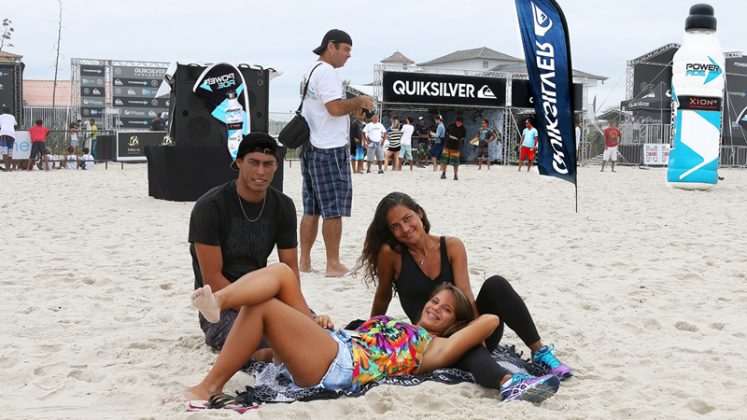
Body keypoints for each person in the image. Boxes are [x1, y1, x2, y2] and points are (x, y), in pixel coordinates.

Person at [185, 263, 560, 404]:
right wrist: (293, 340)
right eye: (436, 301)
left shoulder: (437, 348)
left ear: (453, 324)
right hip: (332, 344)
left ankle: (208, 387)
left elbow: (491, 321)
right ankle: (218, 301)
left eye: (446, 310)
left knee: (263, 307)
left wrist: (463, 322)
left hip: (340, 366)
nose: (435, 308)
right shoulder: (399, 324)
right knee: (283, 273)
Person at [356, 192, 573, 392]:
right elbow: (383, 294)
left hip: (465, 324)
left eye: (407, 218)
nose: (404, 229)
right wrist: (373, 332)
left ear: (419, 214)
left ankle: (540, 352)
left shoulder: (451, 246)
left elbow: (466, 294)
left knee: (496, 284)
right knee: (469, 351)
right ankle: (510, 384)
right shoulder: (391, 254)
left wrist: (475, 334)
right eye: (395, 227)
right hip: (430, 343)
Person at [188, 132, 301, 353]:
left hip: (263, 294)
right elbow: (212, 278)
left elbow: (290, 270)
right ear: (239, 163)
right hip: (220, 304)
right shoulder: (210, 207)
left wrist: (297, 311)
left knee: (317, 335)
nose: (261, 171)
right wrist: (266, 311)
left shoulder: (284, 206)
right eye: (254, 163)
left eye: (268, 164)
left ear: (276, 166)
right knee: (260, 344)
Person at [299, 29, 374, 278]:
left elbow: (324, 109)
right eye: (346, 49)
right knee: (333, 209)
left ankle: (305, 261)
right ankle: (333, 264)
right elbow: (333, 108)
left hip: (310, 144)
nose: (349, 55)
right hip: (329, 148)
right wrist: (359, 101)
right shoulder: (328, 73)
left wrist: (350, 109)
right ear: (331, 46)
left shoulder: (309, 71)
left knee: (311, 208)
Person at [0, 107, 18, 171]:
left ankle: (7, 168)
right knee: (10, 152)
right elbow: (16, 125)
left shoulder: (1, 116)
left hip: (3, 133)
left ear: (3, 112)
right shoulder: (12, 117)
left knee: (4, 152)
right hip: (12, 134)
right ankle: (9, 168)